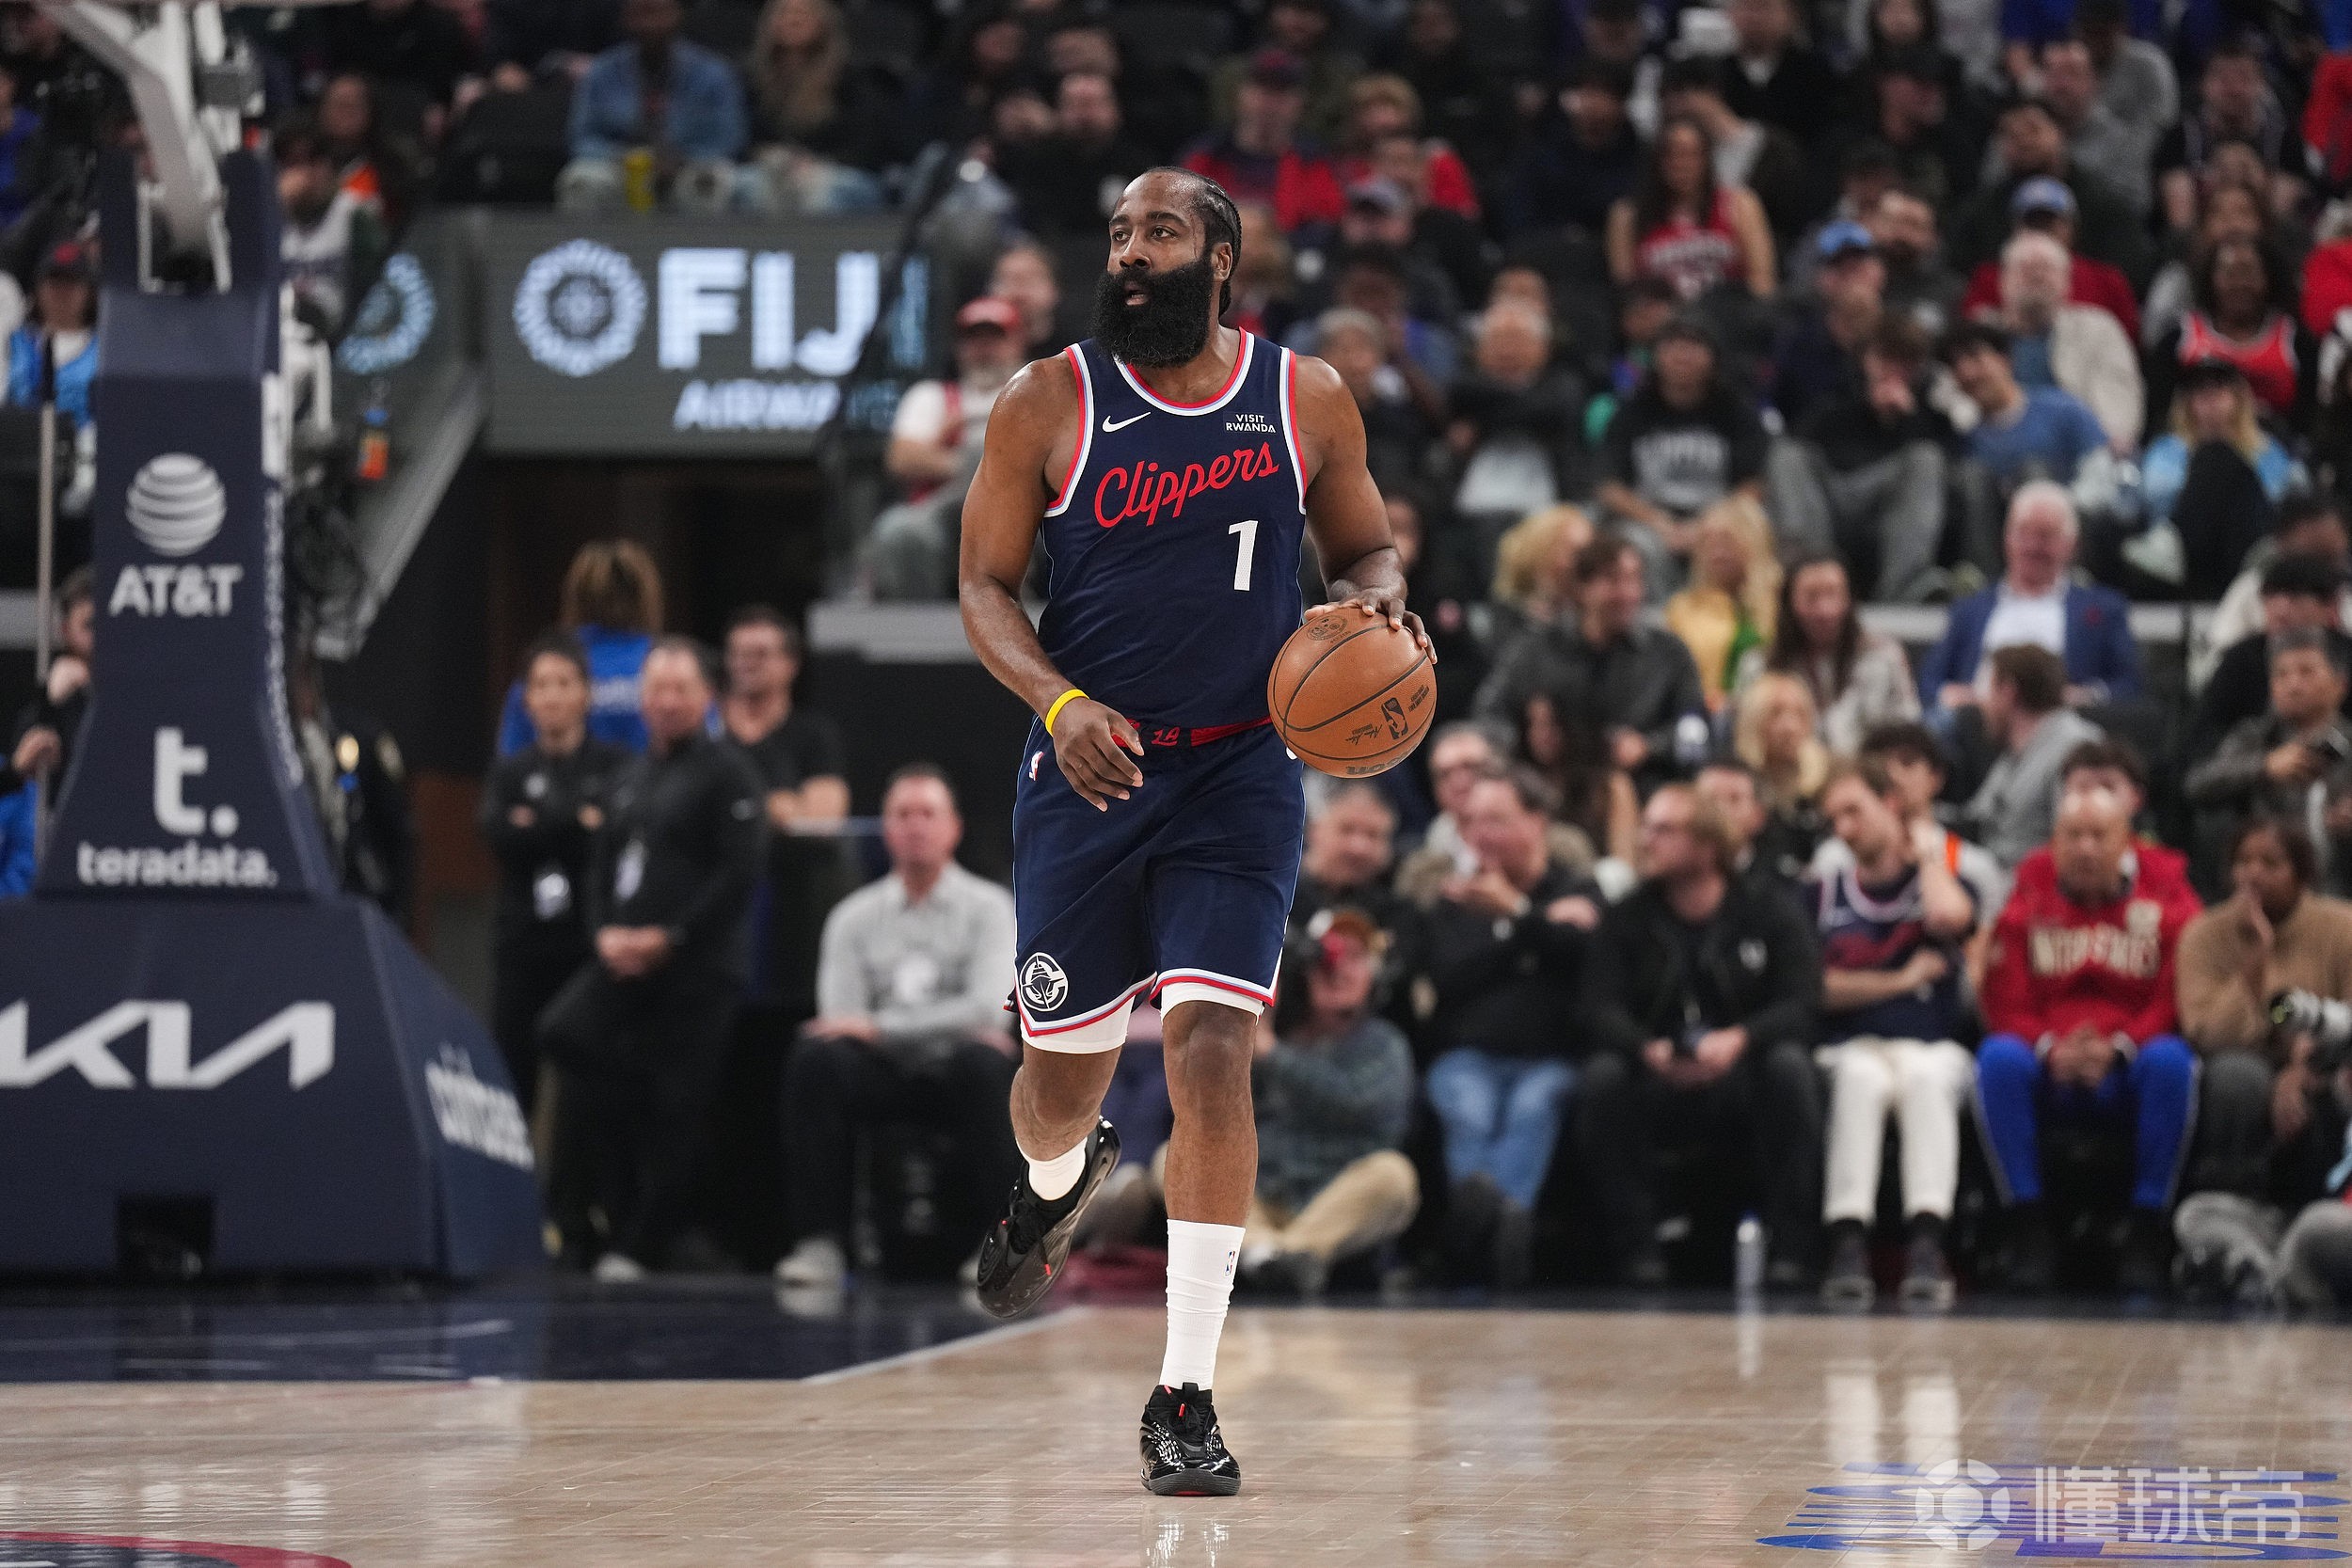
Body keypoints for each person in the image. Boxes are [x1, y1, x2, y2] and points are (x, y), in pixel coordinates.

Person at [955, 167, 1429, 1495]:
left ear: (1219, 259)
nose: (1130, 253)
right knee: (1059, 1088)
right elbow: (983, 584)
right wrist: (1058, 702)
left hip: (1239, 770)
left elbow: (1369, 552)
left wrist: (1378, 607)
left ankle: (1185, 1391)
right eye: (1118, 232)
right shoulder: (1046, 399)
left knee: (1215, 1048)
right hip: (1090, 769)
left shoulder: (1303, 396)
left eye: (1159, 233)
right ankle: (1055, 1183)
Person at [545, 640, 765, 1282]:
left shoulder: (730, 774)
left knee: (676, 1103)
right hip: (621, 961)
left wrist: (672, 937)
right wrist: (604, 935)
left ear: (706, 697)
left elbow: (738, 873)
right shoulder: (630, 774)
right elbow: (601, 866)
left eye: (679, 689)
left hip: (698, 967)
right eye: (656, 689)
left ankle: (644, 1243)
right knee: (564, 1033)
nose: (666, 701)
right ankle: (592, 1219)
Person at [772, 765, 1022, 1291]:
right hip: (882, 1073)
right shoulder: (852, 917)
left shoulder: (991, 909)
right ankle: (820, 1243)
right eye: (903, 815)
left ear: (953, 828)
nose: (915, 826)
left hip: (957, 1071)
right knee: (816, 1059)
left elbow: (988, 1010)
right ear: (885, 830)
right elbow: (839, 1020)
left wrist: (879, 1026)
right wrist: (902, 1030)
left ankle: (999, 1244)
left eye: (928, 814)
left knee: (986, 1062)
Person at [1578, 784, 1825, 1287]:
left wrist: (1741, 1039)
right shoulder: (1628, 916)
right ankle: (1635, 1250)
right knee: (1602, 1078)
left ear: (1708, 846)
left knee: (1791, 1069)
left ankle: (1793, 1251)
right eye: (1646, 827)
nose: (1646, 840)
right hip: (1657, 1070)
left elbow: (1803, 1000)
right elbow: (1597, 1006)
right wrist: (1644, 1048)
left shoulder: (1767, 908)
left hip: (1743, 1068)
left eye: (1664, 830)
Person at [1976, 788, 2203, 1292]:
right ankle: (2027, 1223)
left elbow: (2178, 993)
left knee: (2172, 1061)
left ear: (2126, 842)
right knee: (1997, 1059)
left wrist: (2121, 1046)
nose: (2085, 848)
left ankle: (2147, 1226)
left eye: (2099, 836)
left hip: (2129, 1065)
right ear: (2054, 844)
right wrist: (2047, 1047)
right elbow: (2004, 995)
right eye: (2073, 836)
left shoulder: (2168, 888)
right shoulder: (2029, 885)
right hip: (2049, 1066)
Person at [1421, 768, 1602, 1287]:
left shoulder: (1579, 887)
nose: (1481, 834)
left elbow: (1587, 961)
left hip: (1552, 1058)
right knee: (1470, 1108)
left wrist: (1514, 913)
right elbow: (1448, 977)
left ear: (1537, 822)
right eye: (1471, 822)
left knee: (1533, 1107)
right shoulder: (1454, 898)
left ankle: (1476, 1238)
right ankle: (1505, 1230)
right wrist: (1537, 929)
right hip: (1467, 1056)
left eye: (1496, 820)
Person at [1810, 759, 1979, 1307]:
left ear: (1891, 805)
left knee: (1926, 1079)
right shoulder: (1824, 893)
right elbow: (1817, 989)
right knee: (1860, 1079)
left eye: (1854, 812)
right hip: (1852, 1045)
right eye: (1834, 818)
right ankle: (1847, 1241)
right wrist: (1900, 981)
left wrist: (1927, 854)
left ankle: (1927, 1243)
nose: (1843, 829)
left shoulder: (1941, 880)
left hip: (1931, 1045)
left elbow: (1950, 918)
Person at [1219, 910, 1418, 1297]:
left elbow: (1356, 1103)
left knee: (1395, 1175)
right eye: (1325, 959)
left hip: (1333, 1200)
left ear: (1376, 975)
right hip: (1263, 1196)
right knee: (1176, 1155)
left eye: (1355, 958)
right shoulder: (1275, 1034)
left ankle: (1275, 1255)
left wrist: (1273, 1055)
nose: (1338, 969)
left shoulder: (1383, 1044)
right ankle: (1272, 1255)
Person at [479, 635, 631, 1118]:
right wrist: (577, 819)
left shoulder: (617, 765)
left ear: (586, 693)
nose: (552, 696)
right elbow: (498, 836)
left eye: (564, 683)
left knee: (589, 1082)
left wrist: (539, 820)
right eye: (541, 685)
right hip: (522, 941)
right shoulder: (510, 771)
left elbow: (610, 838)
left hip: (588, 943)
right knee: (510, 1074)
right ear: (526, 699)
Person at [2175, 818, 2352, 1210]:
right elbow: (2206, 1032)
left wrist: (2303, 1072)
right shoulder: (2203, 934)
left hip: (2324, 1061)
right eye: (2243, 862)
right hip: (2240, 1061)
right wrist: (2255, 962)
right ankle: (2229, 1205)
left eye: (2271, 863)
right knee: (2238, 1079)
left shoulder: (2342, 927)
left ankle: (2325, 1207)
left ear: (2302, 874)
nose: (2253, 874)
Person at [1473, 533, 1708, 797]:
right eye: (1613, 580)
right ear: (1581, 588)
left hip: (1645, 788)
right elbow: (1489, 715)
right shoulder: (1536, 649)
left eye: (1635, 580)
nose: (1628, 593)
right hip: (1550, 790)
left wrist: (1649, 747)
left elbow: (1696, 727)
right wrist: (1528, 745)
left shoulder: (1668, 652)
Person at [720, 606, 850, 1033]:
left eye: (759, 654)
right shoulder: (708, 732)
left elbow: (824, 818)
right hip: (718, 902)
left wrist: (739, 807)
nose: (746, 664)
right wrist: (780, 805)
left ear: (790, 663)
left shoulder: (813, 735)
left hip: (793, 907)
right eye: (738, 654)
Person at [1770, 317, 1959, 602]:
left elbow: (1948, 470)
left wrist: (1906, 419)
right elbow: (1802, 444)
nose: (1893, 370)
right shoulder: (1837, 394)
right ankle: (1809, 576)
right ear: (1867, 359)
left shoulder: (1931, 412)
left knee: (1926, 458)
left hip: (1888, 507)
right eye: (1885, 358)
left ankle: (1904, 589)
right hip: (1827, 500)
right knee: (1786, 454)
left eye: (1904, 362)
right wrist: (1866, 408)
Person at [1917, 481, 2142, 715]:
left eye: (2046, 536)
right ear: (2006, 538)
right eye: (2024, 533)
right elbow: (1929, 682)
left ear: (2072, 544)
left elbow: (2129, 685)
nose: (2033, 546)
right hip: (1975, 722)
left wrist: (2085, 696)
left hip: (2064, 723)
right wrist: (1955, 696)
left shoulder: (2103, 610)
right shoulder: (1969, 610)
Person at [866, 297, 1028, 599]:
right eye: (974, 341)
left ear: (1017, 344)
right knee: (898, 529)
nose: (984, 350)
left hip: (1019, 512)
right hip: (942, 510)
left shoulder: (1037, 397)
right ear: (960, 348)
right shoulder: (932, 396)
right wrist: (974, 465)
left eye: (994, 340)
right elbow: (902, 457)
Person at [1594, 314, 1769, 594]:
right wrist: (1657, 522)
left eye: (1693, 346)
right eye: (1672, 345)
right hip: (1649, 521)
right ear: (1655, 355)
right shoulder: (1631, 412)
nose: (1682, 355)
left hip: (1719, 519)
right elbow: (1608, 486)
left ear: (1713, 356)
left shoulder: (1736, 411)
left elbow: (1754, 486)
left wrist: (1706, 525)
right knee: (1635, 546)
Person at [2185, 631, 2352, 892]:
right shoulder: (2255, 737)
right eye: (2281, 675)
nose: (2293, 685)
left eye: (2307, 672)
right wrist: (2263, 767)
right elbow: (2198, 784)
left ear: (2340, 684)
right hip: (2265, 882)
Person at [558, 0, 755, 214]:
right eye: (642, 13)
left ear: (677, 15)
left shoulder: (712, 73)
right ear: (626, 19)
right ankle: (589, 238)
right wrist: (623, 157)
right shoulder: (603, 71)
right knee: (582, 179)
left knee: (707, 182)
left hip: (689, 164)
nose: (651, 24)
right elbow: (582, 137)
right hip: (620, 165)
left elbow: (728, 138)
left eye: (659, 13)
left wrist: (681, 160)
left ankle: (703, 238)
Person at [2136, 357, 2304, 599]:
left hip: (2247, 545)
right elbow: (2156, 498)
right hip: (2190, 551)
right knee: (2214, 456)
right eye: (2200, 392)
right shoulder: (2168, 448)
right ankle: (2171, 549)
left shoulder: (2267, 450)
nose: (2210, 400)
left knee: (2220, 457)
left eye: (2219, 390)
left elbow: (2279, 497)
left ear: (2238, 398)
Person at [499, 540, 664, 754]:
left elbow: (511, 760)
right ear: (646, 597)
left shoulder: (543, 674)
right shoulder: (670, 670)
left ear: (574, 597)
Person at [1984, 230, 2141, 451]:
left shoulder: (2099, 330)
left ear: (2066, 281)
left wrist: (2103, 453)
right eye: (2026, 268)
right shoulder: (1979, 333)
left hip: (2077, 451)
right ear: (2003, 280)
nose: (2036, 276)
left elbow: (2118, 406)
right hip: (1992, 448)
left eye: (2046, 269)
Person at [2191, 552, 2352, 761]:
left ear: (2330, 606)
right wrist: (2263, 765)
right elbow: (2204, 741)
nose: (2280, 610)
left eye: (2295, 597)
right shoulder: (2242, 660)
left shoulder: (2346, 653)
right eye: (2270, 597)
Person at [1604, 113, 1776, 302]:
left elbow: (1762, 282)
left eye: (1692, 155)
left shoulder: (1739, 204)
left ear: (1707, 159)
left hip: (1726, 311)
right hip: (1662, 314)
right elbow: (1626, 293)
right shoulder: (1627, 215)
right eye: (1672, 155)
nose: (1681, 165)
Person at [1757, 557, 1921, 755]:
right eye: (1811, 597)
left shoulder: (1884, 657)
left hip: (1869, 767)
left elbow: (1909, 728)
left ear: (1849, 599)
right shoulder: (1762, 663)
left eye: (1833, 594)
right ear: (1789, 601)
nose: (1824, 610)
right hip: (1787, 767)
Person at [1965, 643, 2106, 868]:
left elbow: (2077, 840)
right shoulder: (2015, 750)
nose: (1981, 703)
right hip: (1988, 870)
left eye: (1986, 690)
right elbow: (1976, 820)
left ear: (2008, 691)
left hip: (2032, 879)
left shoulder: (2077, 747)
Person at [1182, 51, 1345, 236]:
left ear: (1299, 103)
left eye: (1281, 93)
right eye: (1262, 90)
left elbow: (1326, 223)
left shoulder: (1313, 163)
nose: (1270, 103)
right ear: (1240, 95)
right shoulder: (1206, 157)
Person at [275, 115, 388, 338]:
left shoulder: (354, 215)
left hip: (340, 337)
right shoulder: (271, 218)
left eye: (313, 162)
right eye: (293, 164)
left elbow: (376, 290)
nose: (304, 174)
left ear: (330, 166)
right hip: (283, 334)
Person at [1663, 496, 1777, 713]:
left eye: (1727, 540)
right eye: (1707, 541)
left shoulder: (1781, 602)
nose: (1716, 551)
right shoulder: (1681, 609)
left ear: (1753, 540)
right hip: (1702, 713)